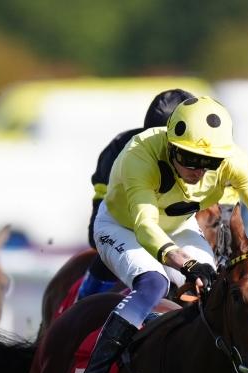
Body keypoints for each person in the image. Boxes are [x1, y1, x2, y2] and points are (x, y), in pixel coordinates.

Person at [62, 95, 248, 373]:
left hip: (178, 227)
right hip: (122, 227)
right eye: (188, 158)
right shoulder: (140, 153)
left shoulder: (234, 161)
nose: (198, 171)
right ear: (170, 146)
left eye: (208, 162)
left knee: (216, 287)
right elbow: (145, 227)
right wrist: (186, 264)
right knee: (154, 283)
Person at [72, 88, 196, 302]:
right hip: (129, 226)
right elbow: (102, 205)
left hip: (172, 228)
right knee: (104, 259)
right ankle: (79, 305)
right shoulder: (122, 148)